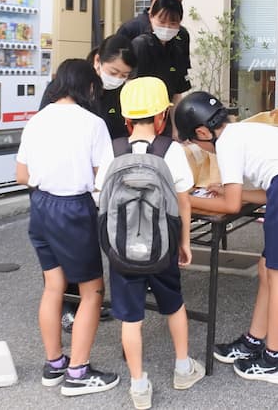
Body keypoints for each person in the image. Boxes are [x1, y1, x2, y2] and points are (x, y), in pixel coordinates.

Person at [175, 91, 278, 384]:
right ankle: (254, 341)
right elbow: (267, 191)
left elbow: (230, 206)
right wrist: (235, 192)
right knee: (267, 269)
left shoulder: (227, 142)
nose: (201, 148)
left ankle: (273, 360)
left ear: (203, 132)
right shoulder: (245, 130)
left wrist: (185, 201)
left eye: (195, 142)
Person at [15, 59, 119, 396]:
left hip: (40, 206)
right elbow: (102, 177)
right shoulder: (92, 123)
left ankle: (54, 363)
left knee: (53, 286)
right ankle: (78, 371)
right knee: (92, 292)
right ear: (89, 87)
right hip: (73, 209)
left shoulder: (37, 119)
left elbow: (21, 176)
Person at [108, 77, 204, 409]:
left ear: (127, 119)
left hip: (122, 249)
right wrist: (184, 242)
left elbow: (100, 200)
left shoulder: (114, 149)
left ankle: (138, 385)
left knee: (130, 318)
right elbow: (185, 201)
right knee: (174, 304)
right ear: (163, 116)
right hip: (161, 245)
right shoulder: (170, 150)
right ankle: (182, 368)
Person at [39, 34, 136, 139]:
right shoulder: (69, 82)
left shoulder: (121, 92)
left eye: (124, 75)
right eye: (113, 73)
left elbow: (120, 131)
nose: (117, 79)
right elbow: (44, 125)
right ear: (98, 60)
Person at [117, 0, 191, 91]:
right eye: (171, 1)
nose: (175, 7)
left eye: (179, 2)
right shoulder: (131, 29)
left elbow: (180, 80)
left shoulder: (181, 35)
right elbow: (119, 73)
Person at [130, 0, 192, 106]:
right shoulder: (141, 46)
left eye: (172, 23)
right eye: (162, 22)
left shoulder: (177, 49)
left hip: (165, 114)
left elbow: (177, 94)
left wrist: (175, 123)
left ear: (179, 23)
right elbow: (131, 87)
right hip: (141, 112)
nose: (167, 27)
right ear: (151, 17)